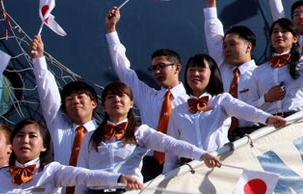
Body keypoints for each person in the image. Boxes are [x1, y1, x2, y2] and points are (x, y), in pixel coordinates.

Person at [76, 81, 224, 193]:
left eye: (122, 95)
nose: (116, 100)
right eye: (110, 97)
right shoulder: (90, 137)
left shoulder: (140, 132)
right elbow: (81, 175)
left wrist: (202, 155)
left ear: (131, 103)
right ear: (104, 106)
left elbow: (172, 144)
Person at [104, 7, 187, 180]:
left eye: (161, 66)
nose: (156, 72)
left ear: (177, 68)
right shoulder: (148, 96)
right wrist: (111, 30)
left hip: (181, 167)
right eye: (153, 68)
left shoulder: (191, 102)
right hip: (148, 165)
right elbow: (124, 70)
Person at [164, 55, 286, 171]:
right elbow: (171, 150)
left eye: (201, 70)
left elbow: (244, 109)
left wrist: (267, 118)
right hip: (189, 171)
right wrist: (164, 180)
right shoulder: (178, 111)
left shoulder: (221, 100)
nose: (195, 74)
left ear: (212, 74)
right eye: (192, 70)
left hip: (219, 165)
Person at [0, 119, 142, 194]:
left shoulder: (52, 171)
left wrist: (118, 178)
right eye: (20, 136)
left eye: (32, 136)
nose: (25, 141)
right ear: (12, 144)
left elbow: (84, 176)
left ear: (44, 146)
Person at [30, 35, 98, 194]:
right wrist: (39, 58)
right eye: (69, 99)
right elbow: (49, 98)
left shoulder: (103, 133)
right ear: (65, 108)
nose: (75, 101)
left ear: (94, 103)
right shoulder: (59, 129)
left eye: (81, 97)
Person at [202, 0, 265, 139]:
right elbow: (213, 35)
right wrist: (211, 5)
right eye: (225, 45)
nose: (226, 49)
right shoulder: (222, 68)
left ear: (248, 46)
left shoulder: (261, 73)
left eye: (232, 44)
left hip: (252, 133)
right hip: (223, 135)